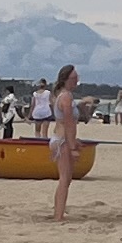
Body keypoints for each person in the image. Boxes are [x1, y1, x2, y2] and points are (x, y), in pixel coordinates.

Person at [45, 62, 83, 223]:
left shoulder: (64, 95)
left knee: (66, 179)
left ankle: (58, 213)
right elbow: (68, 123)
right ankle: (58, 215)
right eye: (74, 78)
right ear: (66, 79)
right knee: (64, 178)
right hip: (62, 141)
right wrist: (72, 146)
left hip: (61, 138)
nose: (76, 81)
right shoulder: (65, 97)